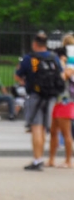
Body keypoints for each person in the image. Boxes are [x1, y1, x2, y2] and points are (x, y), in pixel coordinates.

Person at [15, 32, 61, 171]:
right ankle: (40, 158)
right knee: (44, 129)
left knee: (36, 128)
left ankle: (37, 160)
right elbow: (60, 74)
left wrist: (27, 82)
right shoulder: (54, 57)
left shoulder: (29, 58)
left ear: (35, 44)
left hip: (35, 96)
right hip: (51, 97)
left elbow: (18, 76)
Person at [47, 47, 74, 168]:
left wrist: (61, 64)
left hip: (65, 102)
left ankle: (68, 160)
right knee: (53, 132)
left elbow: (65, 76)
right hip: (55, 101)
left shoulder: (70, 65)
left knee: (66, 132)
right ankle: (51, 159)